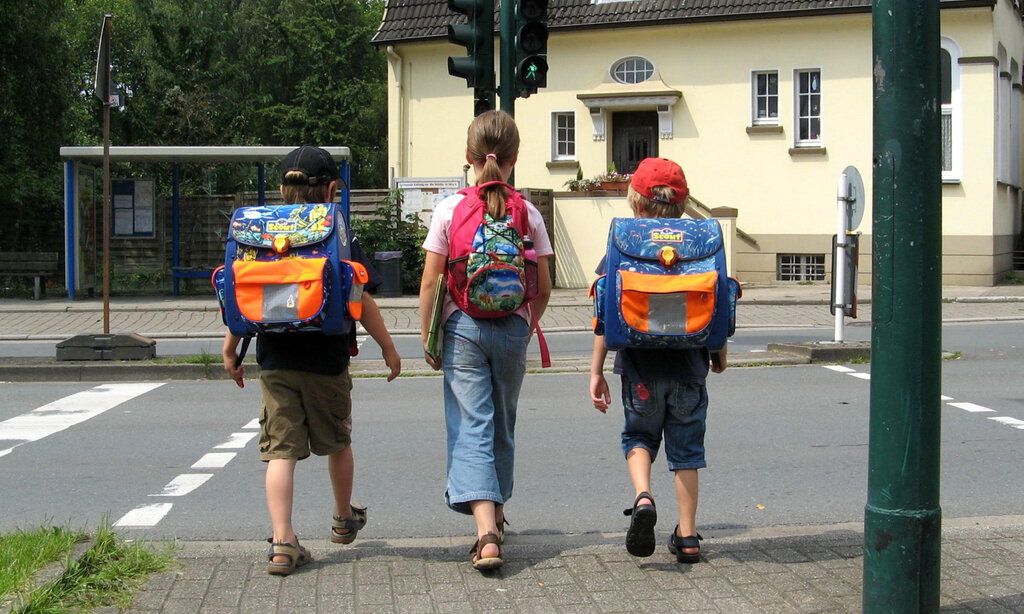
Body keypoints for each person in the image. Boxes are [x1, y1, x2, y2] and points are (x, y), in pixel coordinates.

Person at [221, 145, 401, 576]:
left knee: (280, 453)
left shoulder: (260, 233)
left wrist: (230, 349)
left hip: (275, 361)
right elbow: (362, 298)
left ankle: (283, 542)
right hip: (327, 359)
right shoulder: (333, 232)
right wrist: (389, 348)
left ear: (283, 188)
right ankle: (343, 517)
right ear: (333, 189)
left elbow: (243, 298)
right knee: (337, 441)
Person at [418, 110, 553, 571]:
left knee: (472, 423)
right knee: (503, 423)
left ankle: (486, 535)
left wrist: (428, 336)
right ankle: (496, 512)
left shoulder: (449, 209)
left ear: (468, 157)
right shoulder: (528, 210)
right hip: (513, 328)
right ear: (515, 157)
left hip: (462, 329)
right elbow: (545, 285)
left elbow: (431, 283)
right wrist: (522, 321)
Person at [588, 157, 727, 564]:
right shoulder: (702, 241)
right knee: (686, 452)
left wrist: (596, 371)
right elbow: (718, 302)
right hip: (690, 369)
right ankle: (687, 537)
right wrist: (719, 353)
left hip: (638, 367)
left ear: (636, 200)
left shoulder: (626, 239)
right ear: (681, 202)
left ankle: (643, 496)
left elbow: (604, 312)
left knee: (639, 438)